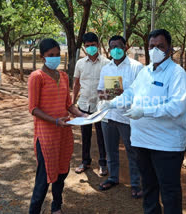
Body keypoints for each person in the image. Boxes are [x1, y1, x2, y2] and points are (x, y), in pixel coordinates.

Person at [98, 29, 186, 213]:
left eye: (160, 46)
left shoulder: (177, 74)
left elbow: (177, 108)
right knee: (148, 188)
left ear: (170, 48)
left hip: (166, 146)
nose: (155, 50)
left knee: (169, 191)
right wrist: (111, 104)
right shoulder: (145, 72)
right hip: (142, 142)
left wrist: (144, 111)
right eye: (152, 46)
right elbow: (131, 93)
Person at [28, 38, 86, 214]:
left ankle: (56, 207)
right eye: (50, 55)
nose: (55, 58)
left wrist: (82, 115)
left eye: (57, 54)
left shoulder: (63, 76)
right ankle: (34, 210)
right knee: (43, 178)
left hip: (64, 133)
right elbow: (33, 108)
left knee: (62, 172)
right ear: (42, 57)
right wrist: (54, 121)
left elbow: (68, 104)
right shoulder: (36, 77)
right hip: (46, 136)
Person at [97, 35, 144, 199]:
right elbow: (100, 91)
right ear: (109, 49)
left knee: (133, 152)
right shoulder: (106, 68)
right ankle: (113, 177)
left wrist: (124, 95)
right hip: (109, 116)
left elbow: (141, 93)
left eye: (119, 46)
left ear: (126, 47)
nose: (115, 50)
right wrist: (110, 94)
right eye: (112, 47)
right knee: (111, 150)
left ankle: (136, 184)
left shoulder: (137, 67)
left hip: (128, 118)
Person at [72, 32, 110, 175]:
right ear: (84, 47)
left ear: (98, 45)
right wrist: (72, 102)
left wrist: (108, 103)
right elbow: (76, 84)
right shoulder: (80, 63)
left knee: (101, 136)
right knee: (85, 135)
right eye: (87, 46)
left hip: (100, 107)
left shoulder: (107, 63)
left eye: (93, 45)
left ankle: (103, 163)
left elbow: (111, 87)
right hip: (83, 105)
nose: (90, 48)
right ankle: (85, 162)